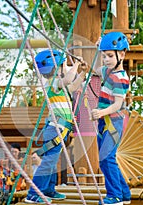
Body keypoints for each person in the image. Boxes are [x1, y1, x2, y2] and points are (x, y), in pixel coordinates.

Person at [25, 49, 88, 204]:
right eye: (62, 66)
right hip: (55, 128)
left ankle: (48, 189)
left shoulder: (58, 86)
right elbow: (67, 80)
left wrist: (83, 73)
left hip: (61, 128)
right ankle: (33, 193)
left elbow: (73, 86)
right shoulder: (53, 83)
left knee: (52, 162)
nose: (65, 68)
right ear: (56, 68)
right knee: (48, 162)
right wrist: (75, 64)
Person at [91, 32, 131, 205]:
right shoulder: (107, 71)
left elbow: (117, 105)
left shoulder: (121, 78)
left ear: (121, 54)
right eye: (104, 56)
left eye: (109, 55)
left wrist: (101, 112)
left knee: (106, 159)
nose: (105, 59)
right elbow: (93, 69)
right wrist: (96, 50)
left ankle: (115, 197)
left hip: (113, 121)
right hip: (104, 122)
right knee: (107, 158)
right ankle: (124, 193)